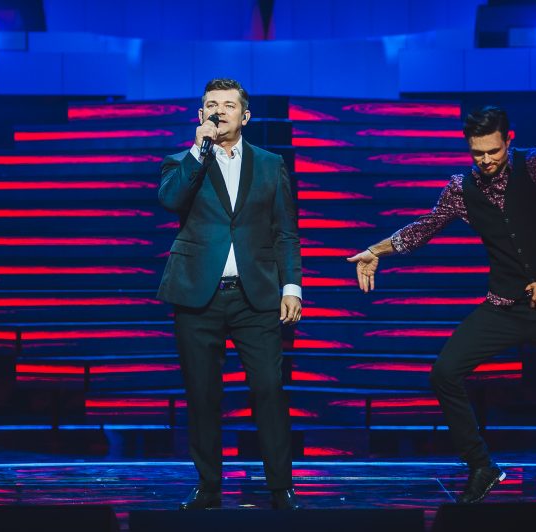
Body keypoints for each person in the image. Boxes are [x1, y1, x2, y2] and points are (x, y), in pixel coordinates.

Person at [348, 106, 536, 504]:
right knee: (444, 372)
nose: (485, 160)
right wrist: (375, 250)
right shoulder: (462, 188)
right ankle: (481, 466)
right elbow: (425, 227)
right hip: (504, 306)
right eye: (477, 153)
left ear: (509, 140)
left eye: (493, 151)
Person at [157, 78, 303, 510]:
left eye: (228, 105)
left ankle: (281, 487)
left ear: (245, 116)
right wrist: (197, 150)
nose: (218, 111)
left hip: (255, 295)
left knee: (269, 390)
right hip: (197, 295)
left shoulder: (271, 164)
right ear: (200, 114)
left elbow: (285, 230)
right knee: (203, 394)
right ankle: (208, 486)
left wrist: (291, 286)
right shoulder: (181, 162)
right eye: (210, 104)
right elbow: (171, 200)